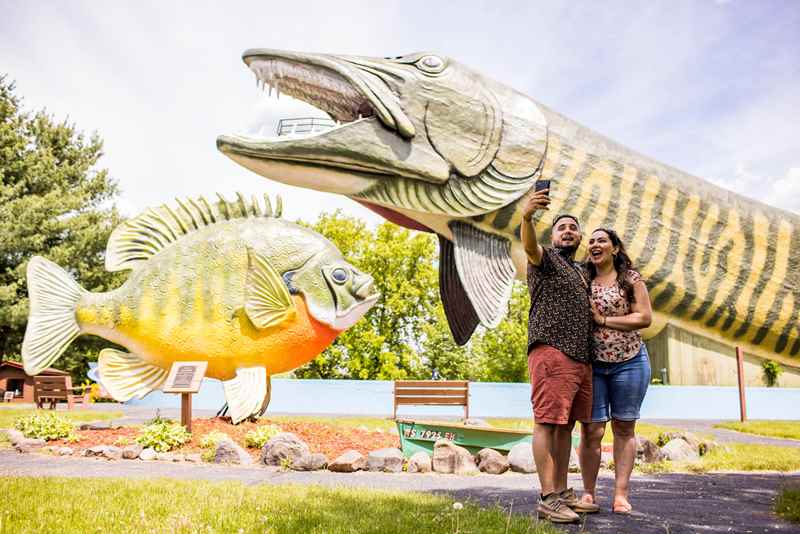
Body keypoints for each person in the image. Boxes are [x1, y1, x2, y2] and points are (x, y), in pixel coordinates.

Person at [521, 188, 598, 523]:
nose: (568, 230)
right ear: (552, 237)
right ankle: (547, 496)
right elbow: (529, 245)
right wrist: (526, 217)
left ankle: (564, 492)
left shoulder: (582, 271)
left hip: (581, 358)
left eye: (573, 227)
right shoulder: (545, 259)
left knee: (565, 427)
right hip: (552, 349)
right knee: (547, 424)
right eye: (561, 227)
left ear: (579, 236)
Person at [578, 228, 652, 514]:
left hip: (630, 360)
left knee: (624, 427)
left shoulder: (630, 279)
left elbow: (644, 317)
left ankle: (621, 494)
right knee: (592, 430)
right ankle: (588, 493)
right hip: (593, 364)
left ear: (615, 249)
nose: (595, 245)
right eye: (592, 241)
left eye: (602, 241)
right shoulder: (583, 278)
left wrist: (603, 319)